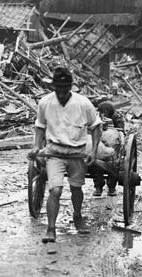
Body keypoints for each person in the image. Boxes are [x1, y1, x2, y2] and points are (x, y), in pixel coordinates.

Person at [30, 67, 102, 243]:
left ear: (71, 87)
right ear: (53, 87)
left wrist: (93, 152)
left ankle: (78, 217)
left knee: (76, 188)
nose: (61, 93)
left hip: (77, 153)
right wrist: (36, 147)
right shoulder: (45, 103)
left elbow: (96, 127)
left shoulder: (83, 104)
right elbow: (40, 127)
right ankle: (51, 229)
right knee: (55, 190)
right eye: (58, 89)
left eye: (64, 89)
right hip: (54, 153)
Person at [92, 101, 125, 197]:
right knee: (97, 161)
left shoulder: (117, 117)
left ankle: (111, 187)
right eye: (102, 112)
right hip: (100, 142)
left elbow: (121, 131)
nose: (104, 114)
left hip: (113, 144)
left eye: (105, 112)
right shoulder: (96, 116)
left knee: (113, 162)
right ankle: (98, 186)